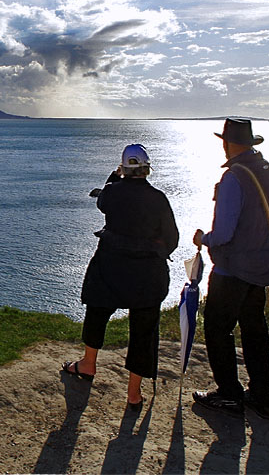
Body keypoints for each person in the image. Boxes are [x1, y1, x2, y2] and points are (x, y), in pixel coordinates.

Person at [62, 144, 179, 408]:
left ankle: (88, 364)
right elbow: (172, 239)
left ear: (124, 168)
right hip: (147, 275)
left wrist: (114, 176)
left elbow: (102, 202)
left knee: (97, 309)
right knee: (144, 330)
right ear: (147, 169)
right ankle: (133, 393)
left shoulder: (113, 193)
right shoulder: (158, 198)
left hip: (111, 267)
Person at [192, 118, 269, 420]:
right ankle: (261, 393)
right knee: (255, 328)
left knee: (218, 327)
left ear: (226, 143)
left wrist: (204, 239)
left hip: (232, 270)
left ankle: (229, 393)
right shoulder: (266, 171)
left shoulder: (234, 177)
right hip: (261, 265)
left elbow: (225, 232)